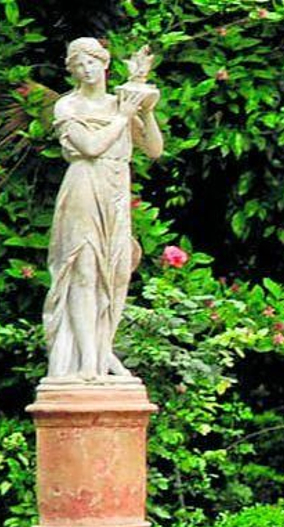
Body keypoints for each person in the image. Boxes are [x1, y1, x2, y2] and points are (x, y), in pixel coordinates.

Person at [43, 38, 164, 381]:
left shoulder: (119, 103)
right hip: (84, 184)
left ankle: (101, 354)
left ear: (105, 64)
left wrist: (146, 112)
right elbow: (91, 147)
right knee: (84, 268)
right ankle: (86, 364)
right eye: (79, 65)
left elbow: (154, 150)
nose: (86, 70)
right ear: (72, 70)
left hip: (116, 188)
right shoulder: (68, 107)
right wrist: (124, 115)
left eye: (92, 62)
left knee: (115, 272)